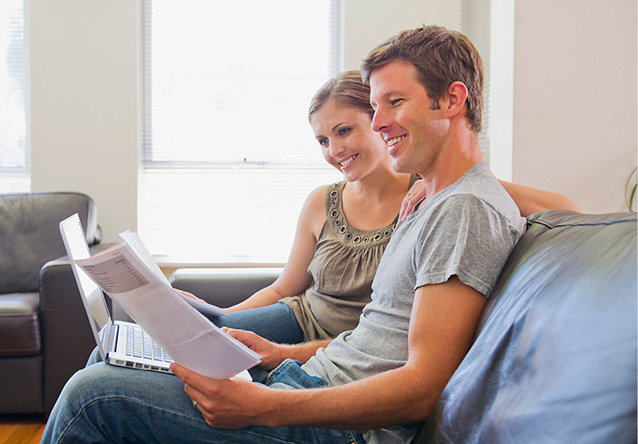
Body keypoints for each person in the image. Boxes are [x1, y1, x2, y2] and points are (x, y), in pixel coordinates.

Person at [41, 25, 530, 443]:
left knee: (92, 396)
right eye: (375, 105)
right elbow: (374, 340)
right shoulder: (433, 202)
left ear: (452, 99)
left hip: (338, 422)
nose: (379, 121)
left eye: (394, 102)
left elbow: (423, 385)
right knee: (116, 355)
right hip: (308, 380)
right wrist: (278, 355)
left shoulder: (465, 208)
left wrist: (264, 407)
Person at [215, 71, 581, 345]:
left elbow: (567, 210)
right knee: (202, 340)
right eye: (323, 140)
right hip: (299, 319)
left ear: (379, 123)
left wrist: (445, 181)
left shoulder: (433, 196)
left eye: (344, 131)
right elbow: (283, 290)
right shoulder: (320, 201)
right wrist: (216, 317)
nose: (334, 150)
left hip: (357, 346)